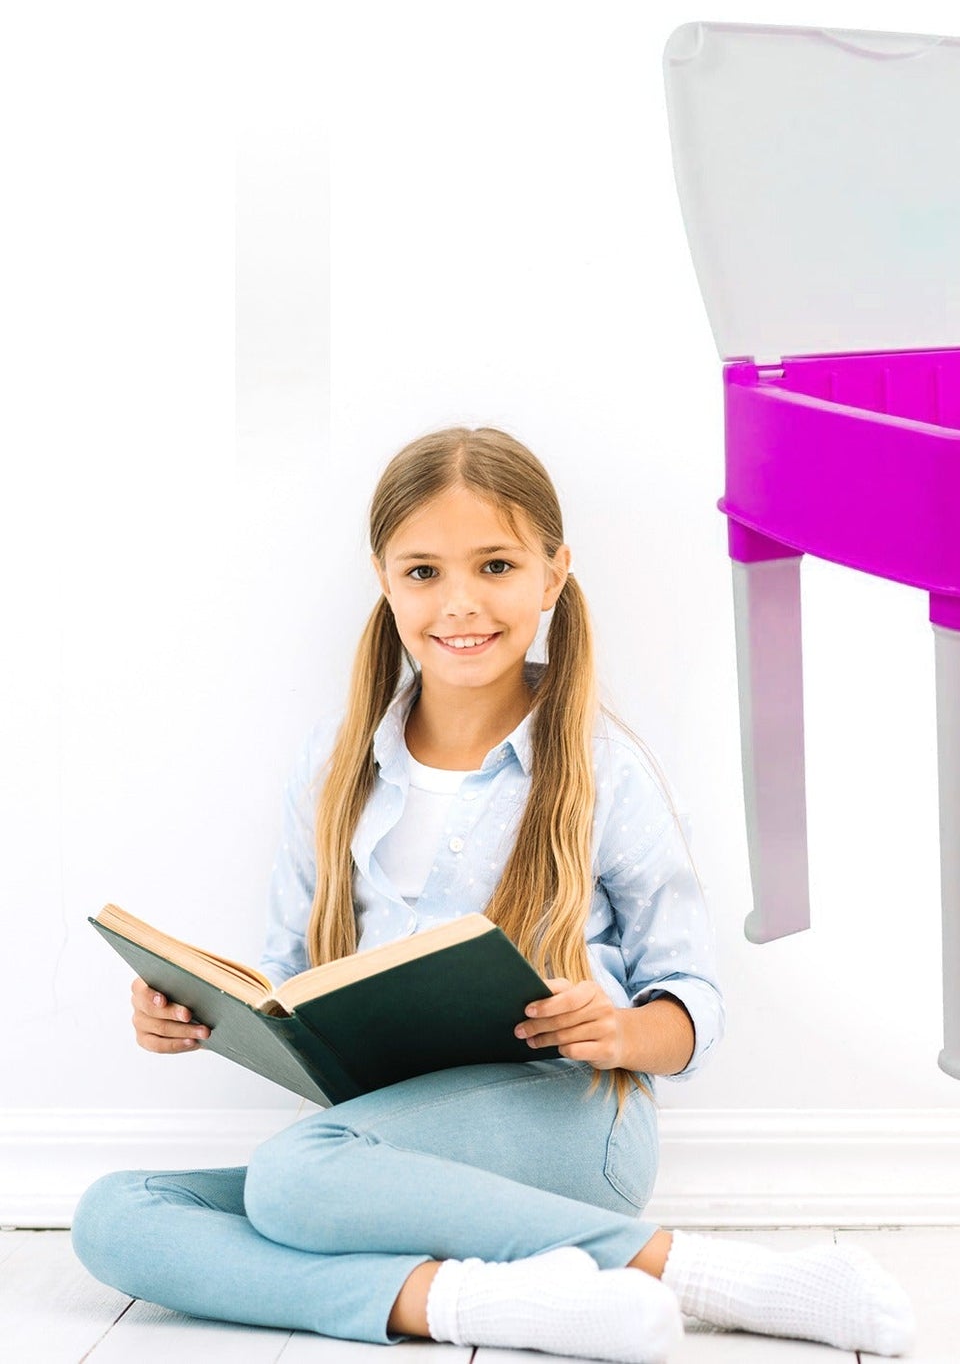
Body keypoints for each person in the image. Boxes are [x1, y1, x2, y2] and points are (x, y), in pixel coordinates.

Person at [70, 425, 917, 1361]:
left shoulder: (601, 765)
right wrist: (198, 1009)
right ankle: (484, 1304)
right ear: (384, 581)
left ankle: (706, 1273)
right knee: (119, 1213)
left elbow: (693, 999)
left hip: (566, 1117)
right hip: (384, 1140)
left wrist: (623, 1029)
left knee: (290, 1180)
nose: (459, 602)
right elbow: (286, 976)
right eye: (423, 572)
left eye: (497, 566)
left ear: (552, 577)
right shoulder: (334, 761)